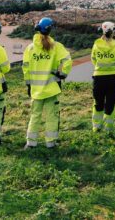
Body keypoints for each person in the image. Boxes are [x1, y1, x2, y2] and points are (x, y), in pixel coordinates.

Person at [22, 17, 72, 148]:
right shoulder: (56, 46)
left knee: (35, 116)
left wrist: (28, 84)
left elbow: (25, 67)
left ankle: (31, 143)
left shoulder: (30, 48)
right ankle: (50, 143)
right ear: (50, 30)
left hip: (36, 90)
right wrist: (62, 74)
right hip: (51, 89)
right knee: (52, 116)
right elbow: (68, 60)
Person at [90, 21, 115, 133]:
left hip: (98, 78)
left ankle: (96, 127)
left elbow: (93, 60)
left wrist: (100, 68)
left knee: (98, 103)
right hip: (113, 78)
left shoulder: (96, 45)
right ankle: (108, 129)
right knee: (110, 103)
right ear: (113, 31)